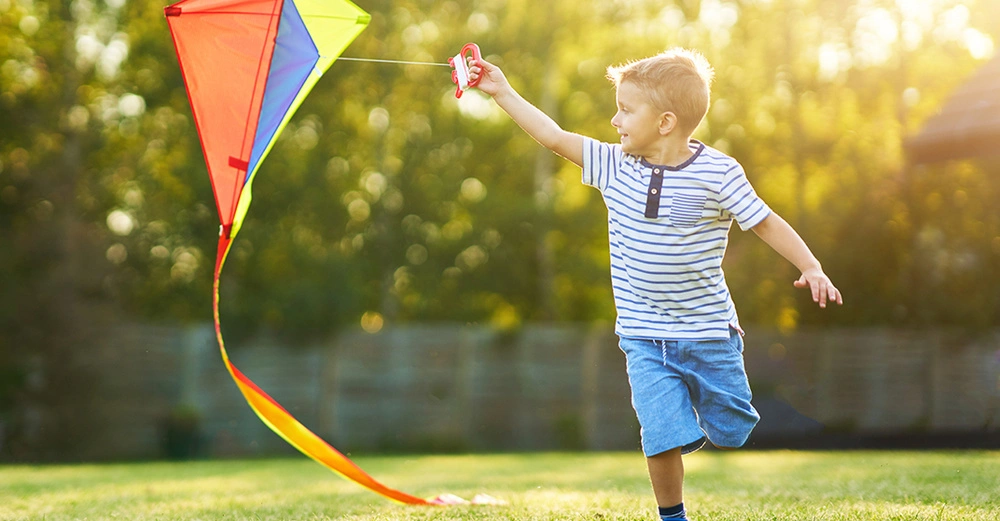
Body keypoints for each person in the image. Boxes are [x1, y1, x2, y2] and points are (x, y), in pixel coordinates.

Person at [468, 48, 842, 521]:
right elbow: (553, 136)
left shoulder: (719, 173)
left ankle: (705, 418)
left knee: (731, 430)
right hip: (643, 333)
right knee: (660, 432)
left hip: (708, 330)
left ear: (665, 122)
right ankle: (673, 516)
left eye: (625, 109)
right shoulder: (613, 165)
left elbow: (764, 222)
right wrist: (501, 90)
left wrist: (810, 266)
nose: (614, 118)